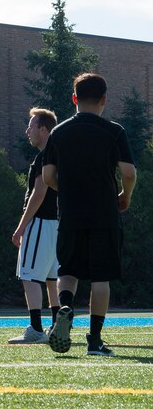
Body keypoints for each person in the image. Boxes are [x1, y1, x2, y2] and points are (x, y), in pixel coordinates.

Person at [43, 73, 136, 357]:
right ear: (104, 100)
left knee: (67, 271)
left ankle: (66, 306)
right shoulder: (114, 131)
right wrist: (124, 196)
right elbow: (129, 173)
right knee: (101, 276)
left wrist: (68, 190)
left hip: (70, 212)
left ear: (74, 99)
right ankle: (94, 340)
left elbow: (47, 176)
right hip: (103, 213)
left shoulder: (58, 132)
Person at [8, 108, 61, 344]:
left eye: (31, 126)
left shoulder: (44, 156)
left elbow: (38, 194)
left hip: (41, 223)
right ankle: (58, 326)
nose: (27, 130)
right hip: (58, 224)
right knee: (52, 279)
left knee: (29, 275)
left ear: (43, 129)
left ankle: (36, 329)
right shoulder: (59, 153)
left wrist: (21, 227)